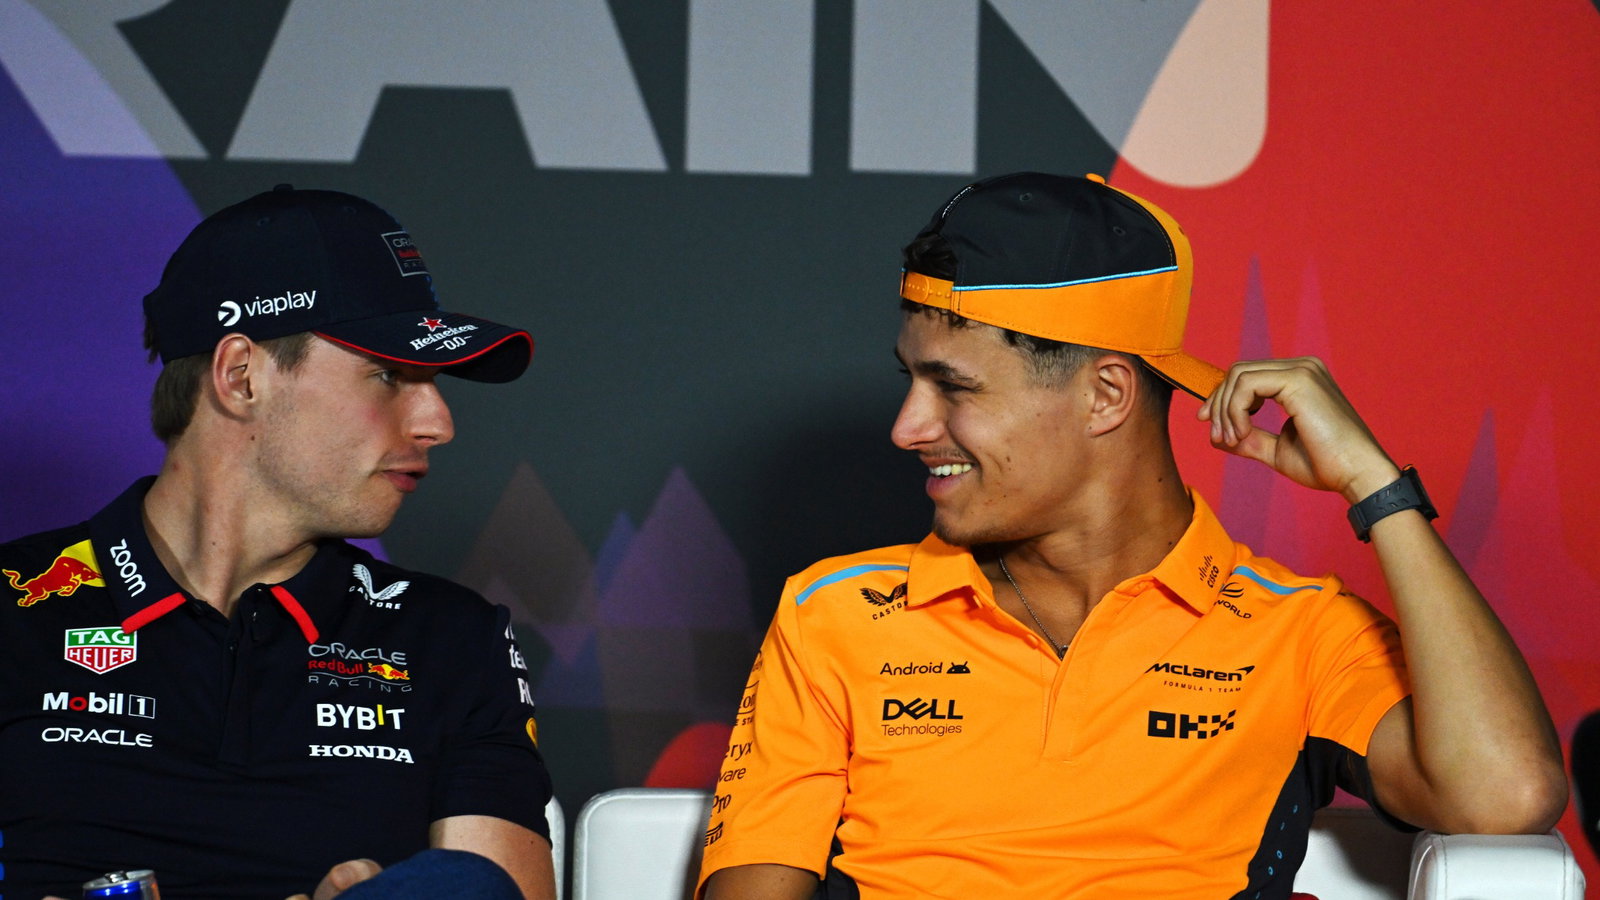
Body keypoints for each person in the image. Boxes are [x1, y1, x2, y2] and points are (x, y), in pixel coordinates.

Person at [697, 172, 1567, 899]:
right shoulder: (831, 614)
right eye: (909, 381)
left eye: (952, 387)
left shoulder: (1299, 634)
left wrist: (1376, 489)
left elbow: (1508, 793)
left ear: (1106, 396)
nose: (908, 426)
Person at [0, 185, 555, 900]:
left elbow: (494, 891)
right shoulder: (14, 609)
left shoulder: (453, 638)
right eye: (387, 375)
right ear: (241, 376)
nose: (437, 422)